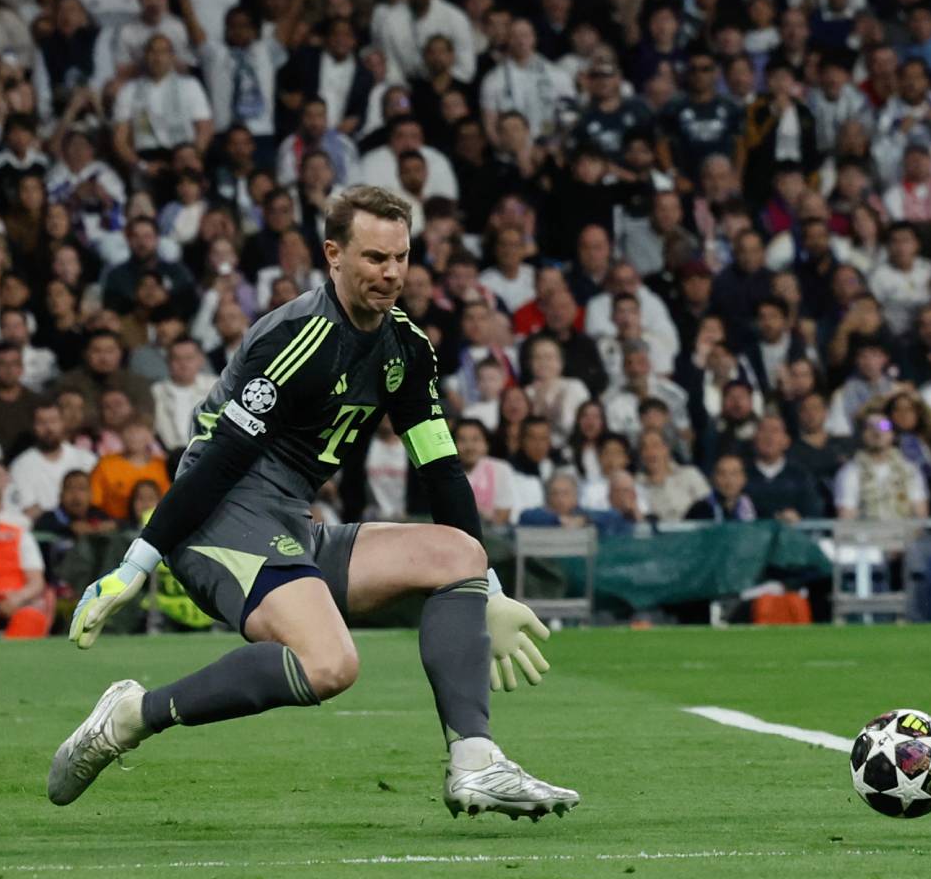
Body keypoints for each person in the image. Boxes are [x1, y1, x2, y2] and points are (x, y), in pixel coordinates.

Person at [50, 186, 573, 818]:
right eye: (375, 257)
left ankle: (475, 762)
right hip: (218, 517)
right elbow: (219, 461)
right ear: (333, 254)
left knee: (457, 553)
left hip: (289, 525)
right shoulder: (300, 337)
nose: (391, 273)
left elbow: (440, 469)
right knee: (330, 665)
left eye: (401, 258)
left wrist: (487, 589)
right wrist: (135, 564)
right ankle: (133, 715)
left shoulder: (406, 349)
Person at [0, 480, 50, 639]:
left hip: (15, 606)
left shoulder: (21, 536)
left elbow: (36, 582)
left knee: (32, 618)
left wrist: (17, 598)